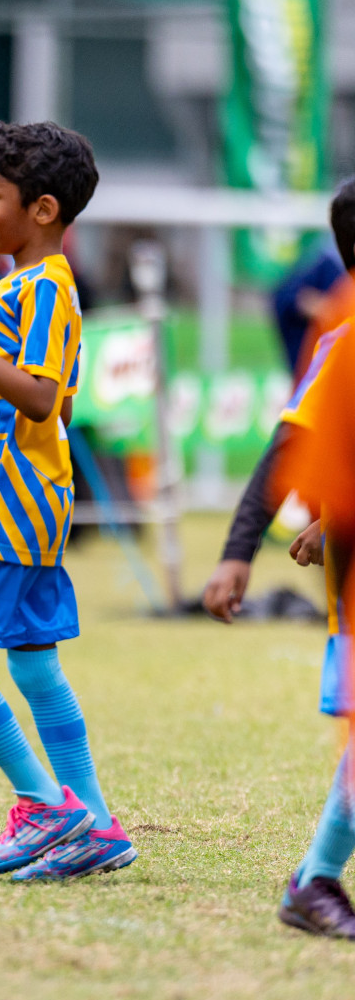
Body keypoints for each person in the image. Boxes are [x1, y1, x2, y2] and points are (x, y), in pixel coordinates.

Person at [0, 121, 135, 881]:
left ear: (41, 210)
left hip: (7, 509)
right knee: (36, 671)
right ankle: (98, 825)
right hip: (18, 503)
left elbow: (39, 399)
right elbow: (56, 412)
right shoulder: (38, 285)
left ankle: (47, 804)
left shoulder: (41, 288)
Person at [204, 175, 355, 938]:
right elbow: (291, 445)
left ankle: (315, 880)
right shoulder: (348, 335)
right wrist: (238, 554)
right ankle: (316, 879)